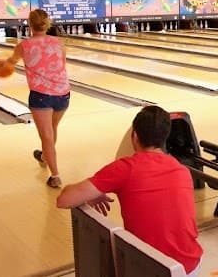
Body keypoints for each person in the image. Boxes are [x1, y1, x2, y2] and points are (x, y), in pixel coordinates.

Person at [56, 106, 203, 276]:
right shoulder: (182, 170)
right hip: (190, 266)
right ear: (165, 138)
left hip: (151, 269)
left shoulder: (125, 169)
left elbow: (64, 200)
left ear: (134, 136)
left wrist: (93, 193)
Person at [3, 9, 70, 188]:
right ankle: (43, 156)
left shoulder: (24, 45)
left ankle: (55, 175)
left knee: (47, 136)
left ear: (30, 24)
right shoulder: (58, 43)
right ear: (47, 24)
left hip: (41, 96)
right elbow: (62, 65)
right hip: (63, 93)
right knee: (52, 129)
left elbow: (10, 63)